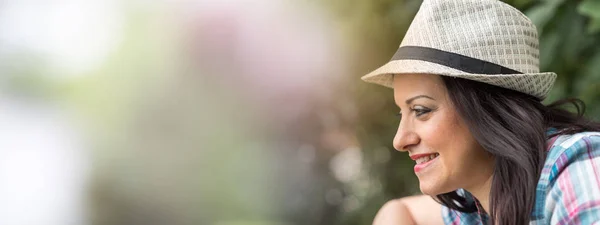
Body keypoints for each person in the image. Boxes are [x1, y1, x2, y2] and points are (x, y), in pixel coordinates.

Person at [360, 0, 600, 224]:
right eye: (401, 114)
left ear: (486, 109)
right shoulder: (476, 201)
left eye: (421, 110)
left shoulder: (576, 171)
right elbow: (400, 210)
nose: (400, 140)